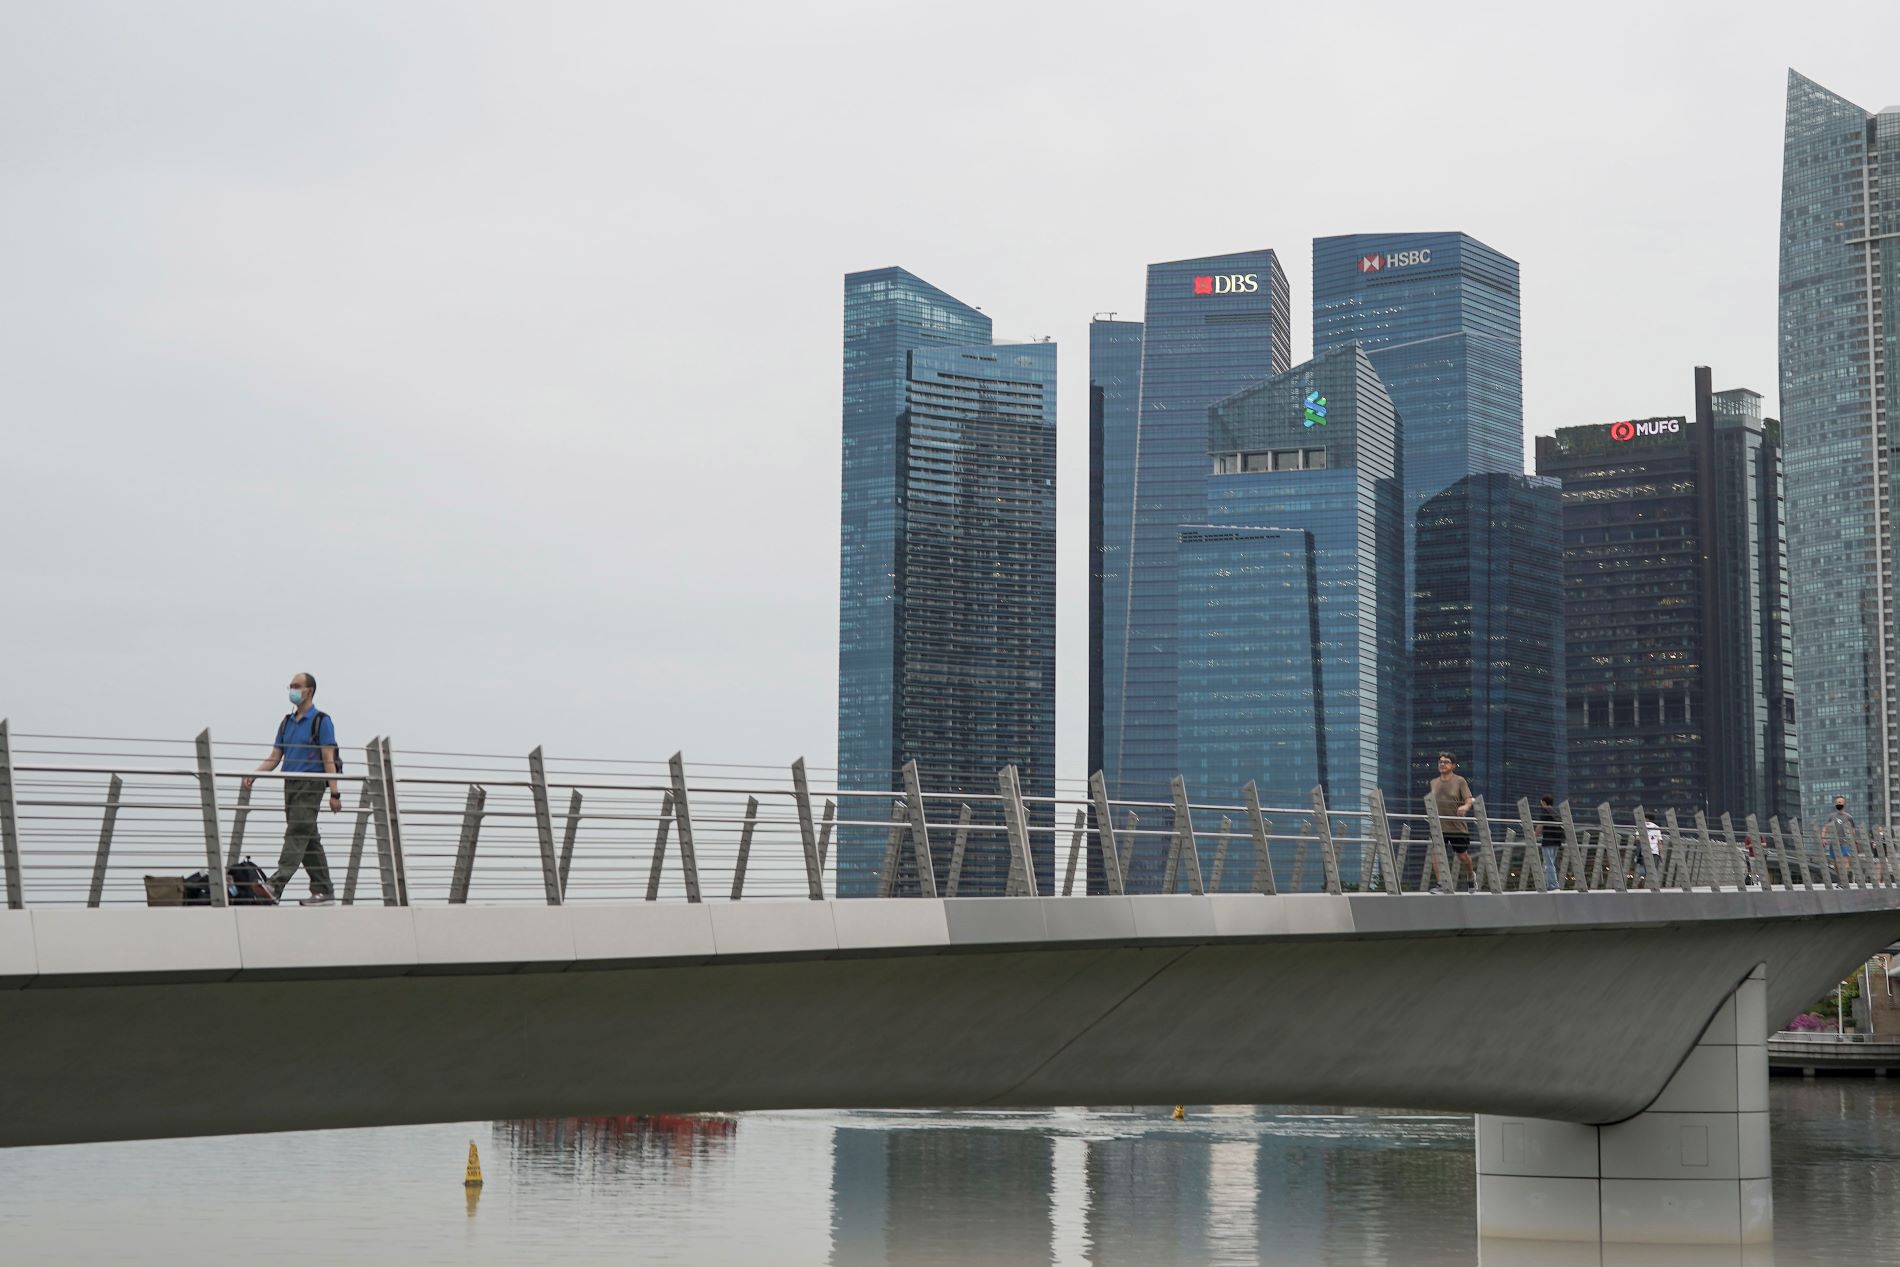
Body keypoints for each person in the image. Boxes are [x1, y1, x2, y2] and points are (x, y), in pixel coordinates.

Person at [243, 672, 340, 905]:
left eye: (297, 686)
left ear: (309, 691)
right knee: (308, 837)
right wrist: (254, 775)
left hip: (311, 784)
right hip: (290, 784)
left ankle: (275, 885)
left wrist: (335, 793)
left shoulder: (321, 721)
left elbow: (329, 759)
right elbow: (275, 756)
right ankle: (324, 890)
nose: (292, 690)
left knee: (297, 832)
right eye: (290, 686)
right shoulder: (287, 722)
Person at [1430, 753, 1477, 892]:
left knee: (1462, 856)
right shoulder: (1433, 782)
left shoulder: (1460, 781)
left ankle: (1470, 876)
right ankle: (1441, 883)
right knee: (1436, 853)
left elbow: (1469, 799)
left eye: (1446, 761)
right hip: (1439, 826)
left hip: (1457, 826)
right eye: (1440, 761)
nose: (1442, 764)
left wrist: (1465, 807)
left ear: (1453, 765)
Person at [1820, 798, 1858, 884]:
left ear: (1844, 804)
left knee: (1845, 862)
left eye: (1840, 802)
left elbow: (1853, 830)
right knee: (1836, 864)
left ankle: (1844, 880)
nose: (1838, 803)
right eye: (1837, 802)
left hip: (1845, 843)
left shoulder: (1849, 817)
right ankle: (1840, 879)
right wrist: (1823, 838)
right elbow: (1825, 828)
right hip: (1833, 843)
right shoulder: (1831, 816)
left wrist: (1854, 842)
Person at [1534, 795, 1563, 889]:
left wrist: (1534, 835)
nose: (1540, 805)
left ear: (1544, 802)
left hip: (1548, 840)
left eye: (1541, 803)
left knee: (1548, 863)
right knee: (1550, 862)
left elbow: (1540, 826)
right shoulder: (1556, 812)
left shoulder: (1545, 811)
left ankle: (1553, 884)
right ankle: (1546, 883)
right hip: (1557, 841)